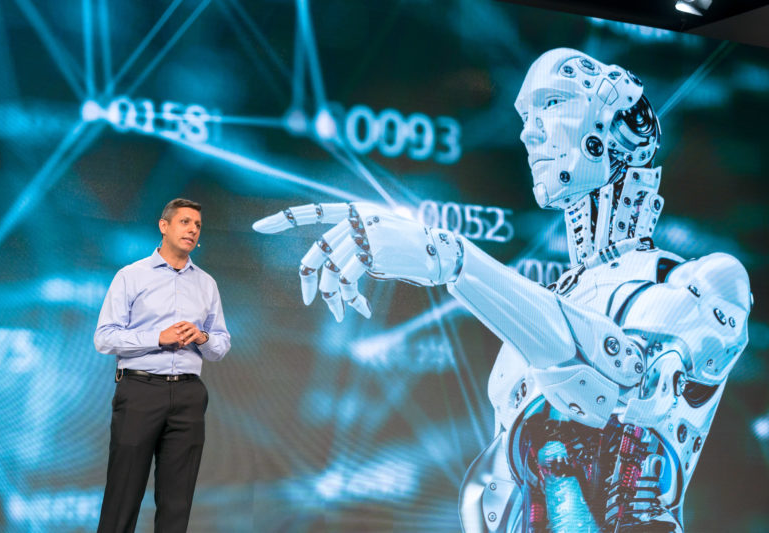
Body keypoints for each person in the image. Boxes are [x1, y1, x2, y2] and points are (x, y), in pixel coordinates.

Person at [253, 49, 752, 532]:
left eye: (552, 105)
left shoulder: (701, 279)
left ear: (621, 125)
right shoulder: (539, 315)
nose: (529, 132)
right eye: (524, 116)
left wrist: (450, 259)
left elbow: (618, 380)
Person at [94, 198, 230, 533]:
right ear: (164, 226)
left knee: (177, 501)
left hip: (188, 394)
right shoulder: (131, 276)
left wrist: (201, 337)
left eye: (197, 225)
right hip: (140, 389)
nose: (193, 230)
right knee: (123, 495)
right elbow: (104, 338)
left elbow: (221, 345)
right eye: (185, 222)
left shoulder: (207, 284)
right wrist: (158, 337)